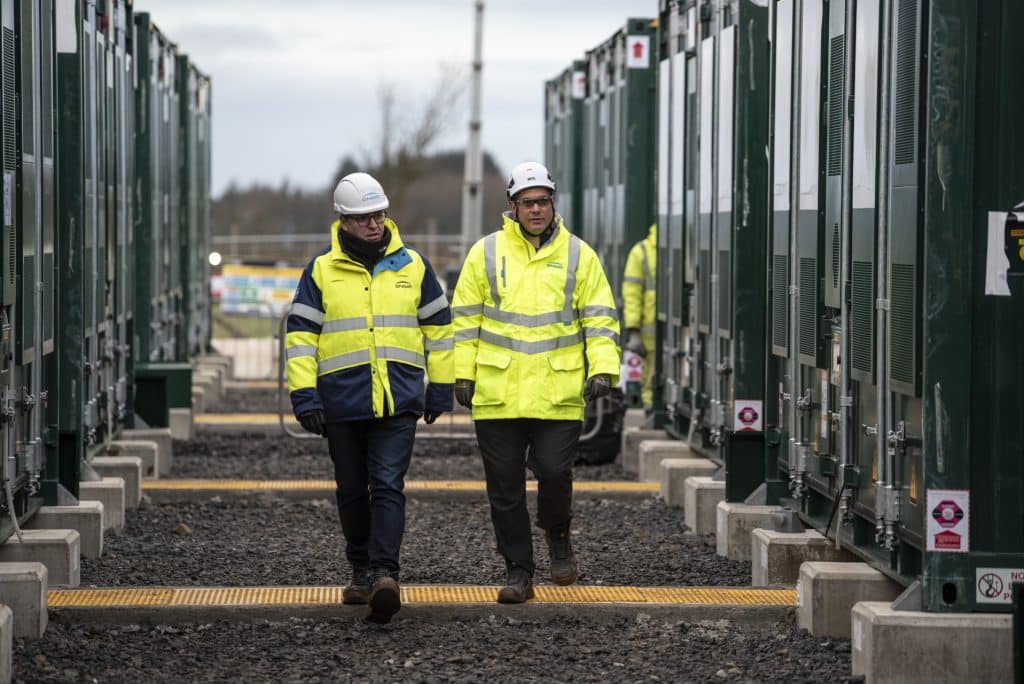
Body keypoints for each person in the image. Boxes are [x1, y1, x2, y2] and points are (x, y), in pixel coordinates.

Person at [286, 171, 454, 623]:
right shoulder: (321, 271)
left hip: (397, 399)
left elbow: (439, 332)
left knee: (387, 485)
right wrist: (304, 394)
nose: (374, 224)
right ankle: (360, 567)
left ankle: (384, 574)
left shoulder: (413, 266)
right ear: (342, 220)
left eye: (378, 215)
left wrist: (440, 386)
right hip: (341, 401)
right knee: (350, 490)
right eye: (363, 218)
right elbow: (301, 336)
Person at [451, 161, 620, 603]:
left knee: (553, 472)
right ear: (512, 207)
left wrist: (603, 367)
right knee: (504, 489)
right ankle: (518, 572)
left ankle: (558, 533)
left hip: (557, 393)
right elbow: (465, 321)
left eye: (543, 201)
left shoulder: (579, 255)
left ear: (553, 203)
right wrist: (462, 374)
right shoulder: (485, 254)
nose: (536, 209)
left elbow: (600, 316)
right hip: (497, 394)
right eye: (528, 202)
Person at [622, 223, 657, 408]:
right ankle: (650, 410)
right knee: (649, 376)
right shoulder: (641, 252)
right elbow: (632, 293)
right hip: (648, 331)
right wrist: (634, 329)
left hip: (672, 333)